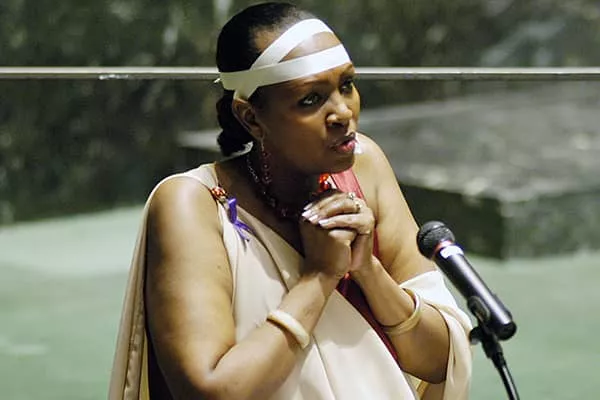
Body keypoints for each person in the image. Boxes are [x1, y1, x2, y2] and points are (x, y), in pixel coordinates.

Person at [109, 2, 472, 399]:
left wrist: (367, 270)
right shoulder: (192, 203)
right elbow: (211, 391)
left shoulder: (365, 166)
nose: (342, 112)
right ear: (250, 117)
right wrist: (319, 278)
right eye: (311, 99)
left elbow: (441, 359)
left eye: (347, 85)